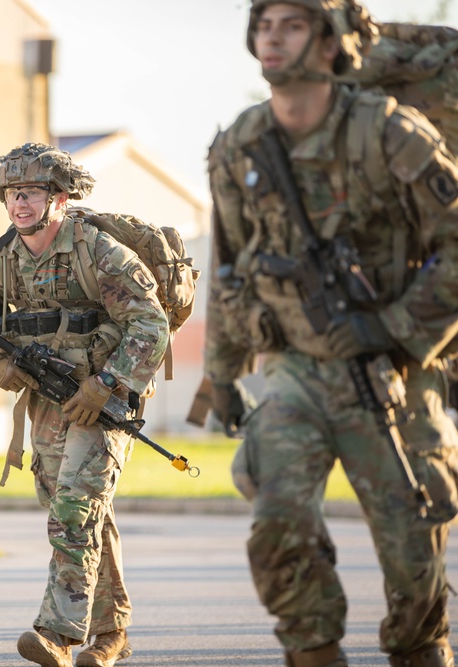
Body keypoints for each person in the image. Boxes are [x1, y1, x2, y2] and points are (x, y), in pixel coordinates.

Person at [205, 1, 458, 665]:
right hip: (296, 369)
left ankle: (421, 648)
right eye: (264, 24)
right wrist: (223, 371)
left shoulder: (388, 132)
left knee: (413, 556)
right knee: (277, 526)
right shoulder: (240, 143)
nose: (272, 38)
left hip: (393, 367)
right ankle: (314, 651)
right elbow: (228, 264)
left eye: (292, 25)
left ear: (329, 43)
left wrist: (392, 325)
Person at [0, 143, 170, 667]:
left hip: (104, 400)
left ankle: (58, 632)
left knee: (76, 505)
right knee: (77, 510)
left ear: (61, 198)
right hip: (47, 399)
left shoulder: (98, 252)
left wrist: (107, 382)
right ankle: (111, 632)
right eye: (10, 194)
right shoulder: (0, 258)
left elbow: (151, 324)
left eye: (30, 193)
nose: (18, 204)